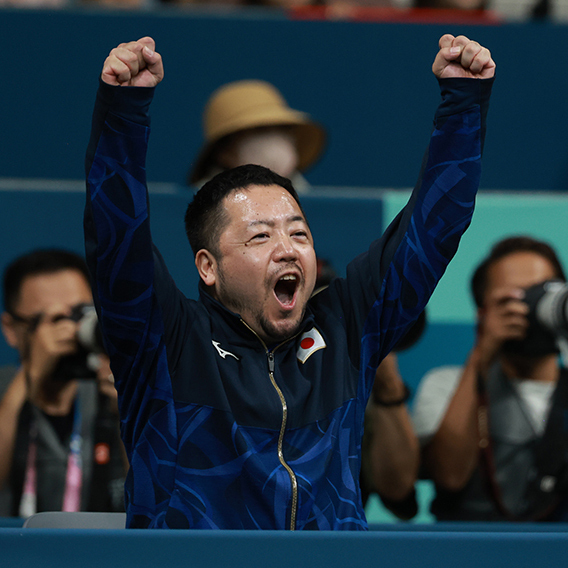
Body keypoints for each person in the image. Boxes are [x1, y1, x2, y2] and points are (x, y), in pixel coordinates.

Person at [84, 33, 495, 529]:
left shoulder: (345, 333)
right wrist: (125, 111)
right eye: (259, 237)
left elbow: (433, 230)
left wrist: (463, 106)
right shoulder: (165, 343)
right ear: (207, 267)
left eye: (299, 232)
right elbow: (116, 237)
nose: (288, 248)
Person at [413, 236, 568, 521]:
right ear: (483, 312)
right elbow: (448, 477)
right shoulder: (446, 384)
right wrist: (480, 358)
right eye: (518, 296)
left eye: (547, 291)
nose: (535, 306)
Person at [0, 249, 127, 517]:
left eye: (79, 314)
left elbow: (160, 503)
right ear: (11, 329)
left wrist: (129, 413)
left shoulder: (114, 393)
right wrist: (30, 379)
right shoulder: (5, 394)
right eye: (45, 320)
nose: (67, 331)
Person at [188, 79, 326, 192]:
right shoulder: (202, 204)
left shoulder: (303, 193)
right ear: (224, 151)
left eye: (283, 128)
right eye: (260, 130)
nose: (275, 140)